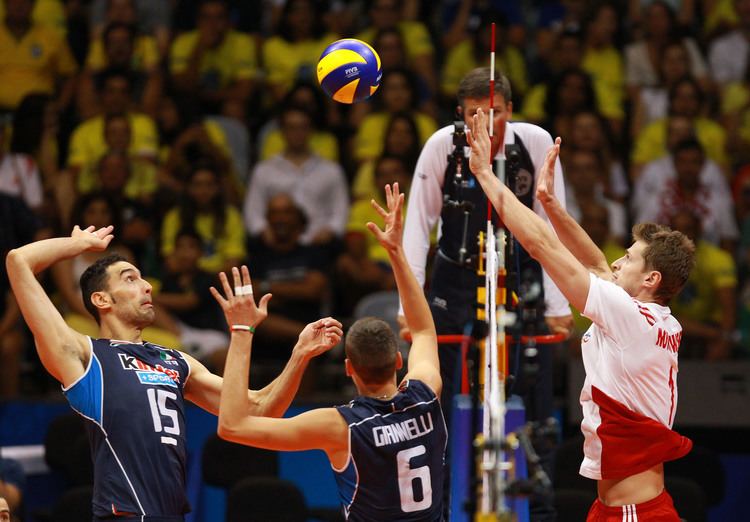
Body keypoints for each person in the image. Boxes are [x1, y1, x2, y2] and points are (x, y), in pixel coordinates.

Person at [5, 225, 341, 520]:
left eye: (143, 278)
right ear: (101, 300)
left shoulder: (175, 361)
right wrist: (76, 245)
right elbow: (18, 261)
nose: (147, 286)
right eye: (130, 279)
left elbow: (260, 411)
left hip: (171, 513)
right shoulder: (84, 355)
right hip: (124, 513)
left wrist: (298, 356)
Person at [467, 107, 695, 520]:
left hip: (633, 512)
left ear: (651, 279)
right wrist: (552, 206)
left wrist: (485, 175)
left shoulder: (629, 317)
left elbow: (541, 247)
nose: (616, 264)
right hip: (620, 506)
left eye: (628, 259)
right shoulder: (659, 320)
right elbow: (594, 265)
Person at [218, 183, 447, 521]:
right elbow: (424, 329)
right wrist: (397, 252)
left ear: (348, 368)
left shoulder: (339, 426)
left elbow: (232, 426)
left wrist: (242, 331)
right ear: (399, 360)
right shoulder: (426, 395)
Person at [401, 67, 573, 426]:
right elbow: (418, 225)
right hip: (455, 280)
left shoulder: (534, 141)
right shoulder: (442, 145)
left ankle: (533, 474)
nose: (485, 122)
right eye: (473, 113)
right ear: (460, 114)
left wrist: (558, 303)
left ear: (510, 109)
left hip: (522, 275)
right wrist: (409, 305)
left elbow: (554, 223)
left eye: (494, 111)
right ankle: (444, 477)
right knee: (441, 391)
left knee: (532, 387)